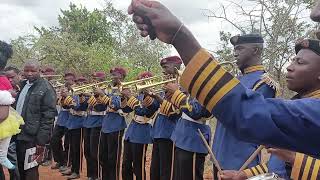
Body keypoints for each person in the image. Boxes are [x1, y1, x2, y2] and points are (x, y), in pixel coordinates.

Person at [128, 0, 320, 156]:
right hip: (219, 152)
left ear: (255, 50)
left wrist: (180, 36)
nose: (315, 13)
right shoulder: (238, 78)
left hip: (236, 155)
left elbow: (246, 113)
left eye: (239, 49)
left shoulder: (265, 82)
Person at [15, 59, 57, 180]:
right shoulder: (22, 85)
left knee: (30, 170)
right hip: (19, 134)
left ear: (39, 71)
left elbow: (48, 117)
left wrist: (41, 141)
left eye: (33, 71)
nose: (29, 73)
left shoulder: (46, 88)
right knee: (20, 168)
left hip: (33, 138)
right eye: (27, 70)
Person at [164, 82, 212, 180]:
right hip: (181, 137)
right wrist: (172, 97)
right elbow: (179, 111)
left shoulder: (206, 87)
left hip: (193, 140)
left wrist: (177, 94)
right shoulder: (191, 89)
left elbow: (196, 111)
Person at [121, 71, 160, 180]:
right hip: (131, 131)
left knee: (138, 166)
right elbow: (126, 109)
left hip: (142, 133)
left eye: (145, 81)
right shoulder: (138, 95)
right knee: (126, 164)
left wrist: (131, 98)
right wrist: (124, 97)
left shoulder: (154, 98)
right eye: (141, 80)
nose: (142, 83)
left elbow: (144, 112)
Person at [149, 56, 182, 180]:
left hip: (170, 133)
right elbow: (154, 107)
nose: (163, 71)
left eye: (165, 67)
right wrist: (148, 94)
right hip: (158, 131)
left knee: (166, 170)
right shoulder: (166, 85)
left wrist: (158, 97)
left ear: (176, 67)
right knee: (155, 169)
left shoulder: (181, 86)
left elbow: (175, 113)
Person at [97, 67, 127, 180]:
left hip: (116, 126)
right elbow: (101, 106)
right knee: (103, 156)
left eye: (115, 75)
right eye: (112, 75)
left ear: (121, 76)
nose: (112, 77)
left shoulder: (125, 88)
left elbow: (115, 105)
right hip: (106, 124)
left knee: (113, 157)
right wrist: (98, 96)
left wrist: (103, 95)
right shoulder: (110, 88)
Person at [62, 75, 89, 180]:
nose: (79, 85)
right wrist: (65, 98)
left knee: (77, 149)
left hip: (80, 123)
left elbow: (79, 107)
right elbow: (66, 105)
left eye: (82, 83)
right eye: (78, 83)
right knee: (71, 147)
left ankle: (77, 171)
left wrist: (69, 100)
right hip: (71, 122)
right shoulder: (74, 94)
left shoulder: (86, 96)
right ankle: (72, 168)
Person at [84, 72, 107, 180]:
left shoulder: (105, 91)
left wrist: (95, 95)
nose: (94, 81)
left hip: (98, 123)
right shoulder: (92, 91)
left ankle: (98, 175)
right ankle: (91, 174)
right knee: (87, 151)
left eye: (96, 79)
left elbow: (100, 107)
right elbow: (86, 107)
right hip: (88, 122)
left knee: (95, 152)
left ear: (102, 80)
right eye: (93, 79)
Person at [51, 72, 76, 172]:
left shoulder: (76, 90)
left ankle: (67, 163)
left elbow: (72, 105)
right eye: (65, 80)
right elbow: (58, 103)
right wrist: (60, 96)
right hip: (62, 118)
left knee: (68, 143)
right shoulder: (63, 89)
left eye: (68, 80)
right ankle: (59, 160)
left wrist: (67, 96)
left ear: (73, 81)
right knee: (54, 140)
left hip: (71, 118)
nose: (66, 82)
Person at [4, 66, 22, 180]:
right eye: (7, 78)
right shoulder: (3, 91)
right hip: (7, 131)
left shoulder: (24, 89)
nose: (10, 80)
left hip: (22, 131)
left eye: (12, 77)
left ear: (19, 75)